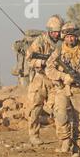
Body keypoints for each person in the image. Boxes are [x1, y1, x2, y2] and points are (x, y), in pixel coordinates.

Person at [45, 22, 80, 157]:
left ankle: (76, 146)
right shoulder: (59, 50)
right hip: (63, 88)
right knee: (61, 116)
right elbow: (49, 68)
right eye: (68, 36)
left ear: (77, 36)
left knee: (78, 121)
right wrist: (63, 76)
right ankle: (65, 142)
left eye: (73, 36)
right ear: (64, 37)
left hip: (79, 90)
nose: (71, 39)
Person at [25, 15, 64, 145]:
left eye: (58, 32)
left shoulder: (63, 43)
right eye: (54, 32)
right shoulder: (40, 41)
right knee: (34, 108)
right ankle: (34, 135)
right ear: (49, 30)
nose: (56, 34)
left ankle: (63, 137)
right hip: (40, 78)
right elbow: (29, 59)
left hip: (56, 80)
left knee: (59, 108)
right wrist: (41, 62)